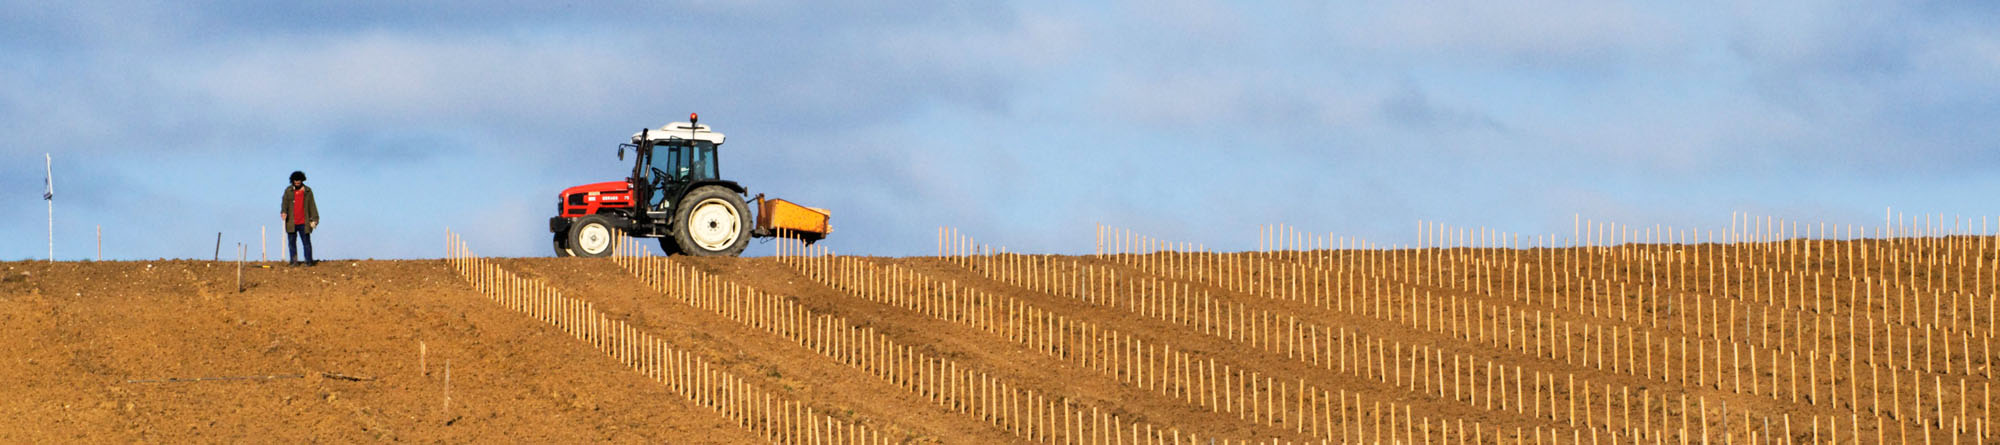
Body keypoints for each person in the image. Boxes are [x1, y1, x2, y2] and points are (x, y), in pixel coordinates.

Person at [280, 171, 320, 266]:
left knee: (306, 243)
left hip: (304, 222)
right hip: (291, 222)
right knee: (291, 243)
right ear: (292, 180)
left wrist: (315, 219)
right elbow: (284, 203)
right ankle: (294, 261)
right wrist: (283, 212)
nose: (297, 181)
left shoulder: (308, 191)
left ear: (302, 180)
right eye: (295, 180)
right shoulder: (288, 191)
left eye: (299, 180)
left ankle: (309, 261)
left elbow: (312, 205)